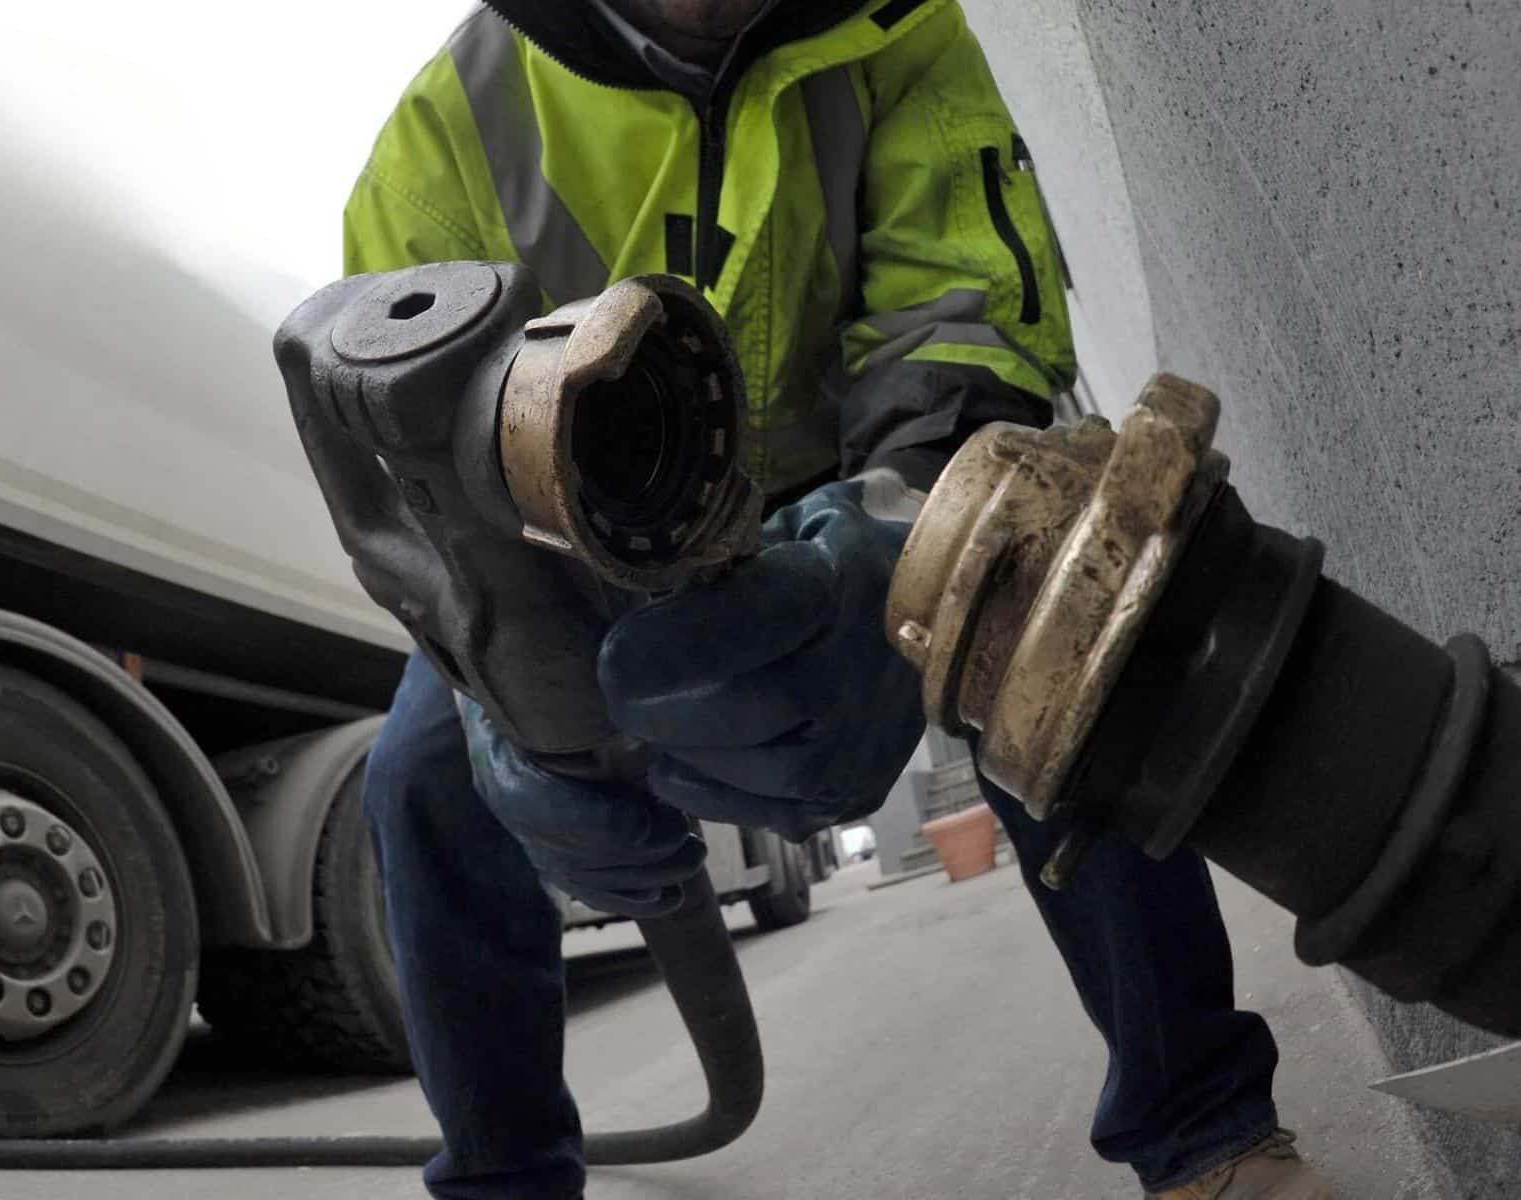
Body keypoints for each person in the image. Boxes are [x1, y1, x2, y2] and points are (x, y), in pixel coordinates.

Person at [345, 2, 1331, 1197]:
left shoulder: (894, 27)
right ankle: (505, 1186)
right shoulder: (451, 132)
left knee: (1051, 611)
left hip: (863, 474)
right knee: (424, 779)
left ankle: (1206, 1137)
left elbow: (964, 299)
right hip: (570, 554)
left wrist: (905, 525)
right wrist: (505, 700)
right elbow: (421, 483)